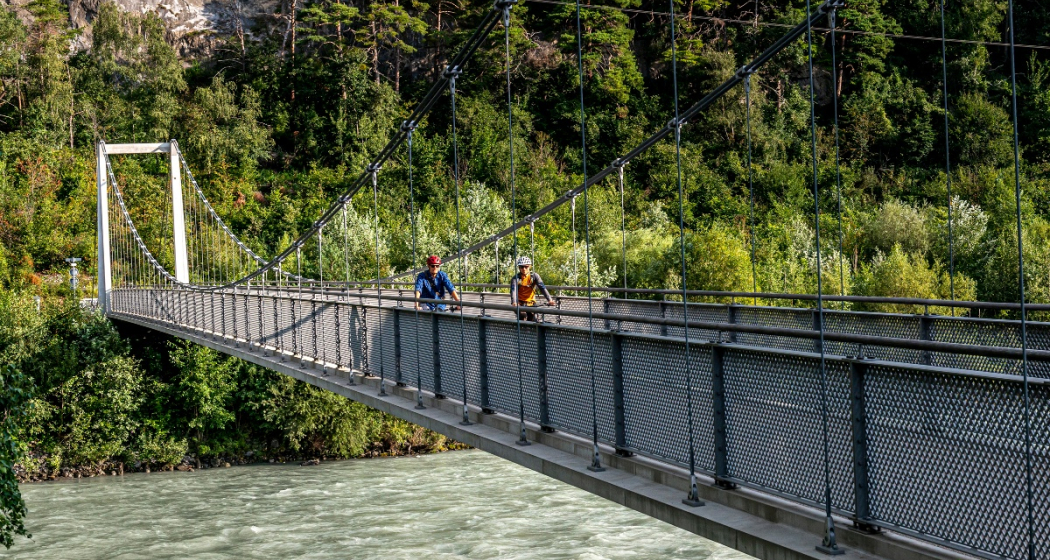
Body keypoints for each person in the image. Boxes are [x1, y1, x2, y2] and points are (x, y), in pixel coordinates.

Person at [510, 256, 554, 322]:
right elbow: (513, 290)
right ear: (519, 268)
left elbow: (542, 288)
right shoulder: (516, 278)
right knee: (523, 316)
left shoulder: (534, 276)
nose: (524, 269)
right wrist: (514, 302)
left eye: (526, 267)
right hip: (520, 303)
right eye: (521, 267)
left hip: (531, 303)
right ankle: (521, 331)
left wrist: (550, 299)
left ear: (529, 266)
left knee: (533, 320)